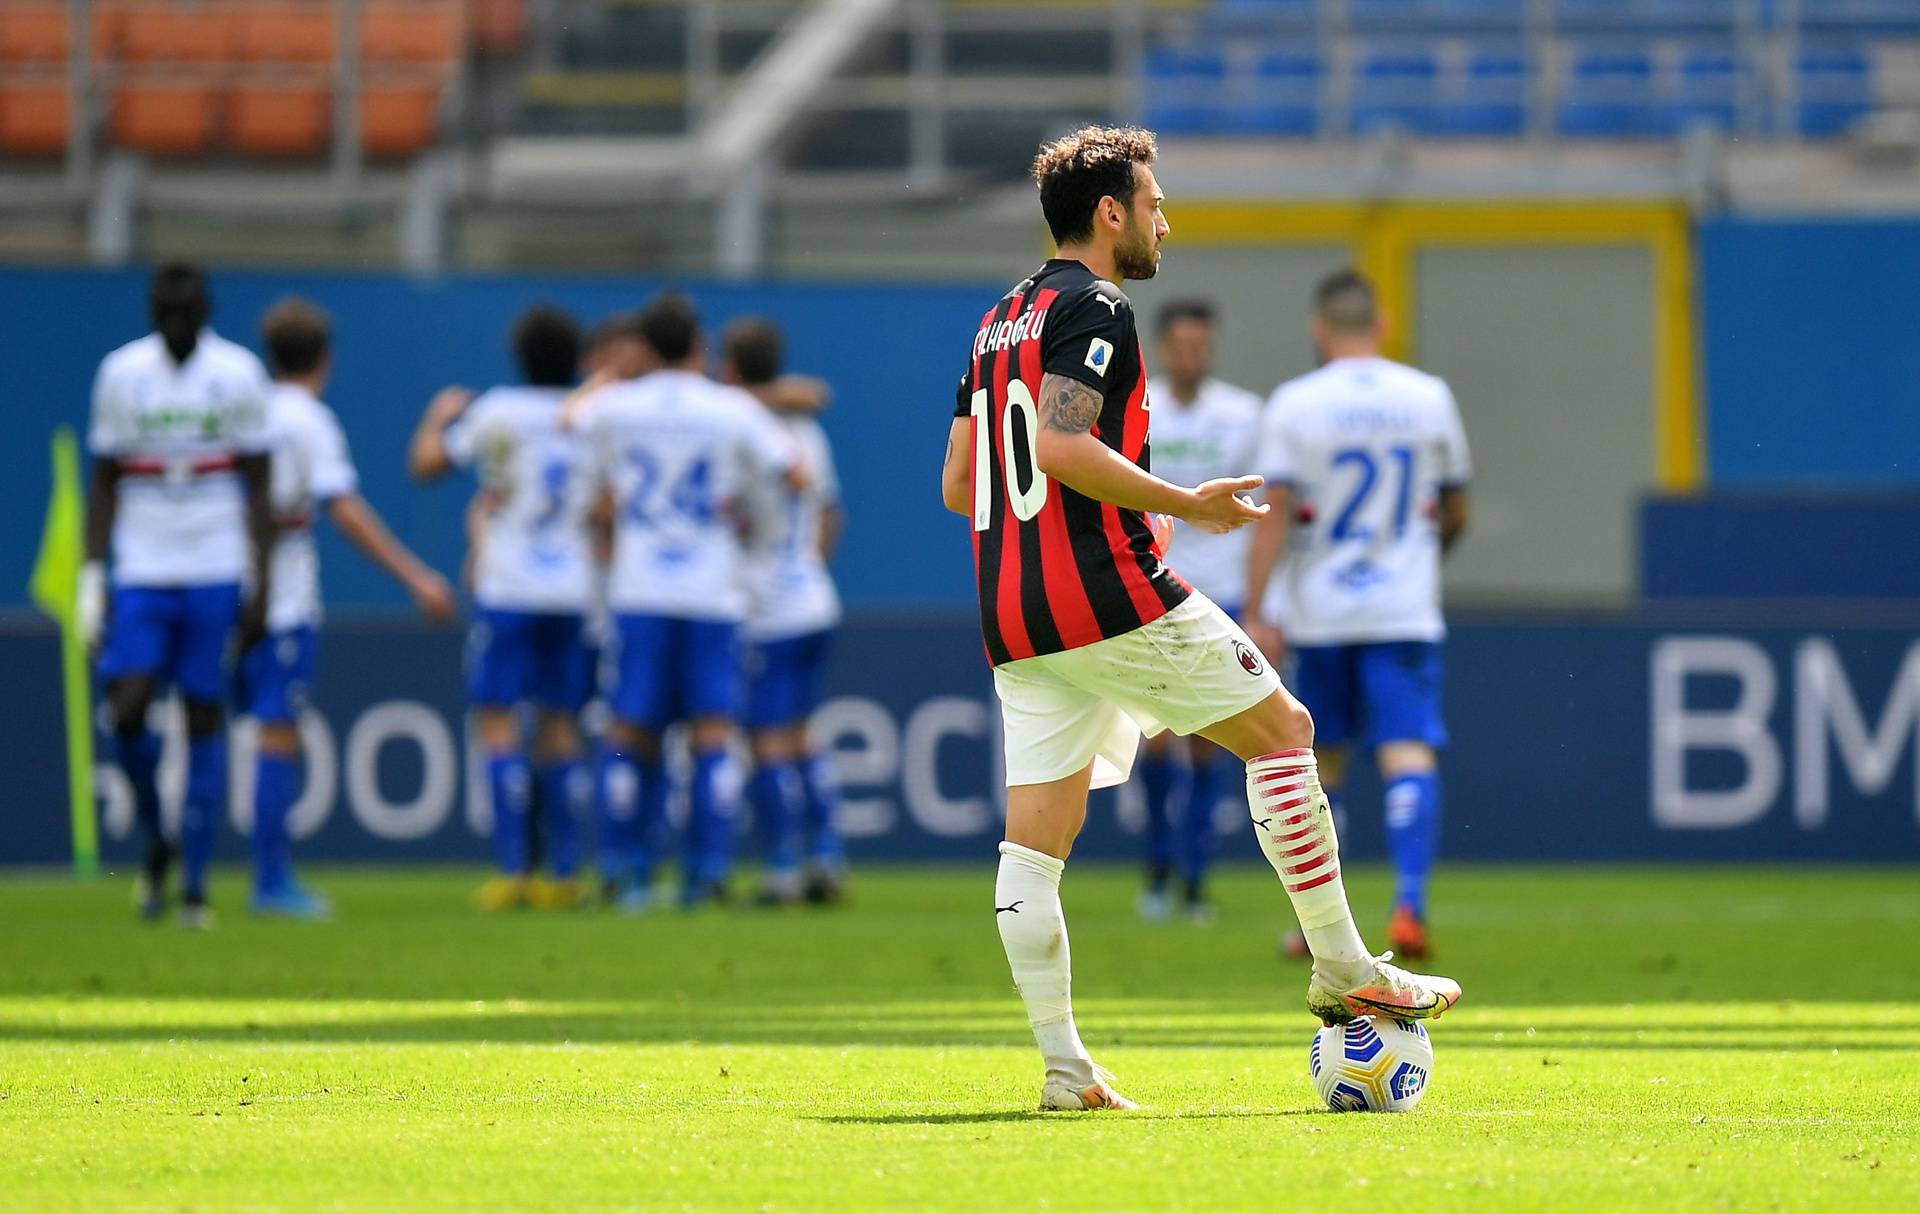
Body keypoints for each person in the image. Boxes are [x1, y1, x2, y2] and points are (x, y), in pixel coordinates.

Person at [938, 126, 1460, 1112]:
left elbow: (964, 480)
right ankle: (1345, 964)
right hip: (1108, 590)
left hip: (1013, 612)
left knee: (1032, 847)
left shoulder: (997, 318)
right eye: (1155, 202)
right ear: (1110, 212)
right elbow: (1058, 443)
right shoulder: (1095, 303)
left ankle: (1064, 1067)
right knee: (1287, 733)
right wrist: (1188, 503)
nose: (1165, 220)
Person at [1245, 269, 1471, 962]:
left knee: (1321, 764)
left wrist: (1258, 609)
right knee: (1407, 751)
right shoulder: (1428, 397)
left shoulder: (1294, 404)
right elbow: (1457, 509)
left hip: (1322, 612)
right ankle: (1411, 904)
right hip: (1403, 609)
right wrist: (1418, 560)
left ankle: (1320, 931)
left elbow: (1274, 514)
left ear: (1320, 329)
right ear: (1384, 322)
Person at [235, 298, 458, 919]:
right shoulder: (309, 421)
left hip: (222, 591)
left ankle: (184, 878)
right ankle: (270, 882)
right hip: (281, 600)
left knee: (217, 730)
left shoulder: (240, 414)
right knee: (278, 735)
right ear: (325, 360)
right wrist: (417, 576)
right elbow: (347, 512)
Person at [576, 293, 797, 911]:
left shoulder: (614, 408)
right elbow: (794, 470)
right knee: (713, 733)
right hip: (712, 594)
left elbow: (572, 433)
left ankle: (625, 870)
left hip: (639, 590)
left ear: (643, 348)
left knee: (628, 730)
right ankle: (709, 872)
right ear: (698, 346)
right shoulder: (731, 411)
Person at [82, 263, 274, 927]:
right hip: (142, 563)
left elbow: (259, 481)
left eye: (187, 310)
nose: (177, 322)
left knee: (201, 713)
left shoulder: (239, 374)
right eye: (166, 311)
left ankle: (193, 883)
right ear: (151, 312)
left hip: (216, 560)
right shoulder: (122, 374)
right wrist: (90, 576)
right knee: (127, 708)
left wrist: (261, 581)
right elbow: (104, 478)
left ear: (206, 309)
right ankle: (158, 835)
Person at [409, 306, 598, 911]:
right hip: (572, 590)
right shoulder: (590, 417)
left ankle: (515, 871)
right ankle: (565, 875)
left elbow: (428, 466)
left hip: (510, 588)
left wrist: (439, 417)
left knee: (497, 721)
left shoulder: (497, 413)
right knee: (560, 727)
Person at [1135, 298, 1263, 924]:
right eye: (1182, 345)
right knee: (1156, 737)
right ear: (1164, 348)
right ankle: (1158, 868)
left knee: (1212, 739)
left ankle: (1196, 875)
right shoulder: (1140, 407)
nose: (1192, 356)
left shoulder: (1243, 414)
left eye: (1201, 346)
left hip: (1225, 592)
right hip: (1156, 587)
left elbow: (1269, 508)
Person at [721, 317, 849, 906]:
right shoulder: (806, 432)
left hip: (765, 606)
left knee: (767, 741)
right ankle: (827, 857)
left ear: (731, 369)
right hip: (812, 598)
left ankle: (782, 871)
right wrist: (807, 567)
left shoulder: (734, 433)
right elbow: (830, 515)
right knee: (802, 736)